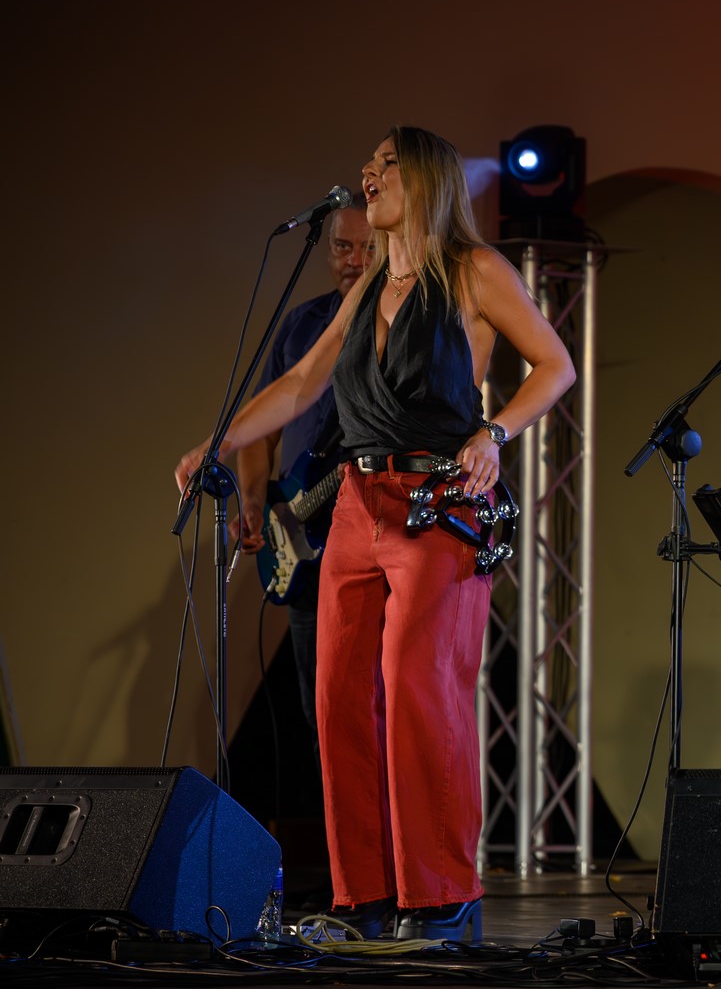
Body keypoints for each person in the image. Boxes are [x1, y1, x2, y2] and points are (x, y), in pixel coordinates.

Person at [176, 126, 576, 941]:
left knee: (418, 688)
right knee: (337, 696)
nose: (369, 171)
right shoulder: (367, 290)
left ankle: (442, 892)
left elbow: (556, 364)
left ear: (425, 177)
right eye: (369, 162)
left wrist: (493, 432)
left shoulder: (473, 271)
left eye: (388, 162)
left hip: (439, 499)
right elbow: (302, 381)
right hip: (359, 501)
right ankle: (362, 892)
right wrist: (218, 442)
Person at [235, 204, 375, 769]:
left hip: (367, 538)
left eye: (368, 247)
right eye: (342, 247)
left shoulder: (395, 324)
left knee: (372, 708)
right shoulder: (301, 322)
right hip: (297, 539)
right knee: (320, 710)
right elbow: (259, 429)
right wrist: (252, 499)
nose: (354, 260)